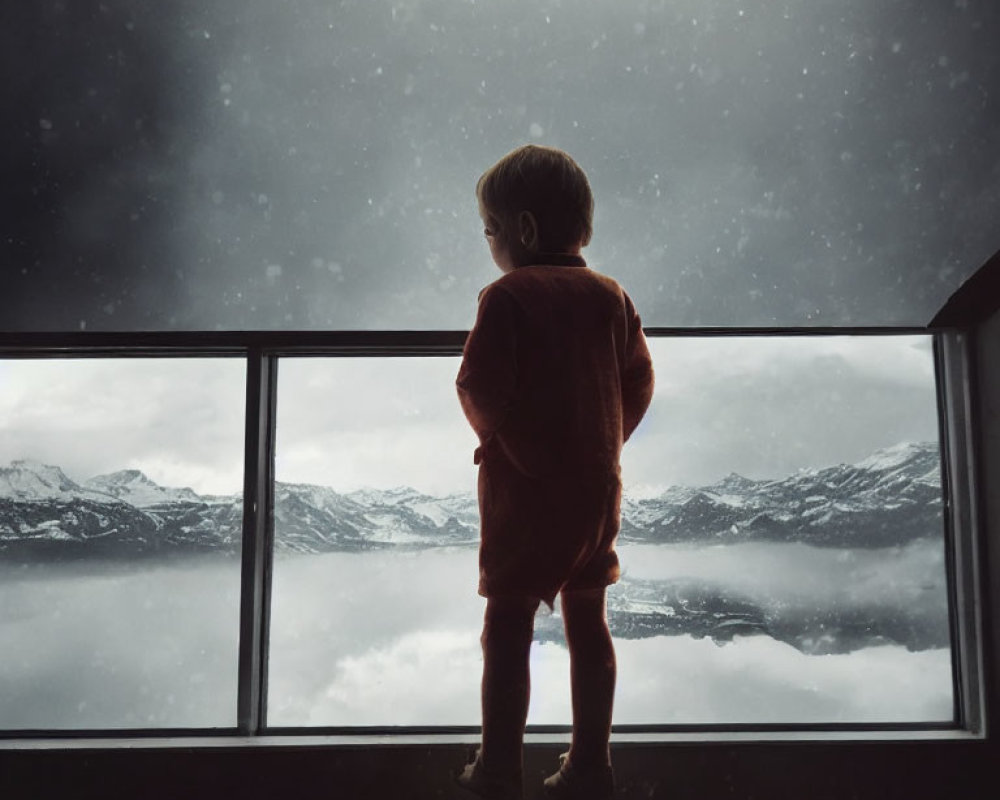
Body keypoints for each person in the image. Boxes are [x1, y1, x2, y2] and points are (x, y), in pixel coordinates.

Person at [454, 145, 655, 800]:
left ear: (523, 231)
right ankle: (592, 766)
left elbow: (478, 385)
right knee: (588, 623)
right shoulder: (611, 297)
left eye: (489, 230)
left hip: (526, 497)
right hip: (597, 492)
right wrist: (600, 441)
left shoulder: (509, 295)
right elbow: (639, 381)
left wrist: (519, 446)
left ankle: (499, 770)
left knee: (507, 629)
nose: (489, 244)